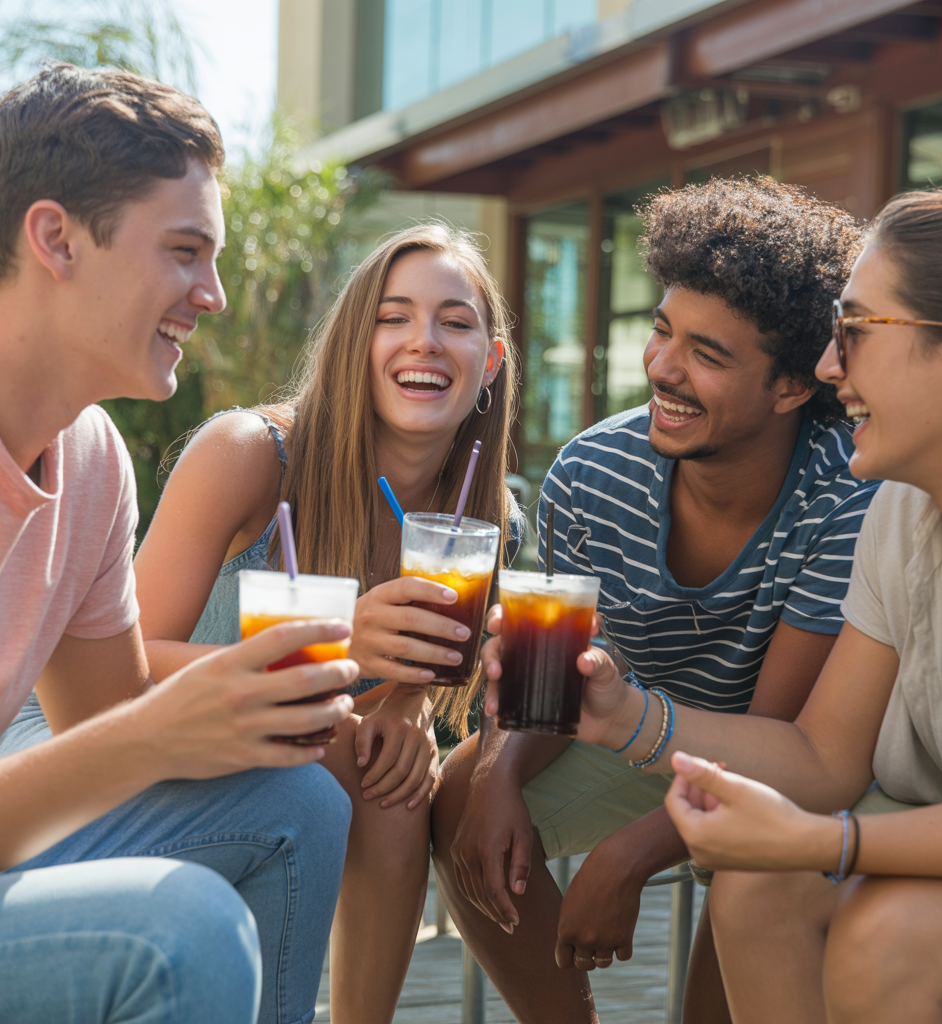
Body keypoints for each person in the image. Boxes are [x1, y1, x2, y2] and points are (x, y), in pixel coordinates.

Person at [519, 180, 942, 1024]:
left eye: (855, 332)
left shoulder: (854, 499)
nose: (830, 367)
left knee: (885, 935)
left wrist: (831, 841)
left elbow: (829, 805)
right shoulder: (902, 514)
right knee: (760, 884)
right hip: (936, 840)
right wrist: (622, 716)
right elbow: (825, 758)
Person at [432, 176, 879, 1023]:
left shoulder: (842, 499)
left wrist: (631, 855)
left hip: (784, 768)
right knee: (460, 790)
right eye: (662, 331)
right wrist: (494, 772)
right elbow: (541, 676)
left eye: (708, 356)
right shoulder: (590, 472)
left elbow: (780, 747)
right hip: (634, 733)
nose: (663, 370)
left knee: (754, 875)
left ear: (791, 387)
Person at [0, 64, 356, 1024]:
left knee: (301, 802)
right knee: (179, 927)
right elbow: (126, 741)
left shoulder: (92, 459)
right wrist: (158, 729)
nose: (216, 295)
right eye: (187, 251)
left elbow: (101, 720)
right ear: (55, 238)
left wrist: (253, 699)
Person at [133, 222, 522, 1024]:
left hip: (301, 764)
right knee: (348, 751)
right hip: (144, 753)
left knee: (390, 775)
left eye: (455, 321)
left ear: (490, 363)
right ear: (355, 343)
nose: (425, 341)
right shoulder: (251, 453)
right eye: (394, 316)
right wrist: (337, 635)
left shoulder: (484, 523)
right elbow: (119, 664)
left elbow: (408, 675)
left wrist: (407, 705)